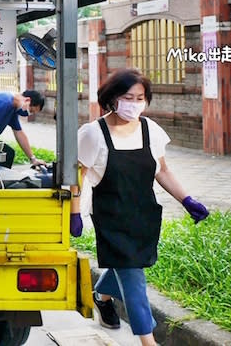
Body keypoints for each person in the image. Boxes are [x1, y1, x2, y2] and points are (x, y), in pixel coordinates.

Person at [70, 68, 209, 346]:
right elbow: (77, 177)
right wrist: (74, 213)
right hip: (111, 216)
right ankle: (148, 341)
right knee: (134, 279)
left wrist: (186, 200)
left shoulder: (151, 129)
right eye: (127, 97)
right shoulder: (92, 134)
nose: (133, 103)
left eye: (140, 98)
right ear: (112, 98)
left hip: (143, 212)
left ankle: (102, 296)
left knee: (129, 265)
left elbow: (163, 170)